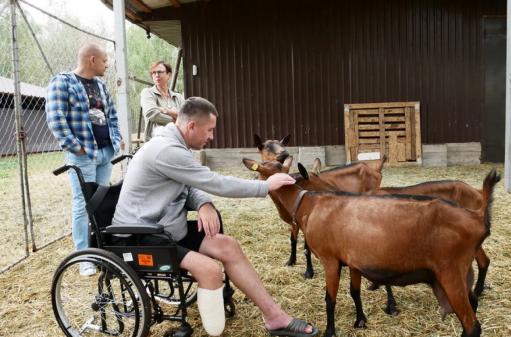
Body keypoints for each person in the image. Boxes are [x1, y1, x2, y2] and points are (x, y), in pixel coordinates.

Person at [111, 97, 318, 337]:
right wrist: (265, 186)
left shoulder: (174, 144)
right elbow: (214, 182)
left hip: (165, 226)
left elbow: (191, 185)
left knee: (228, 246)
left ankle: (275, 317)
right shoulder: (166, 150)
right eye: (209, 130)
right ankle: (215, 332)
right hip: (140, 235)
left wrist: (204, 203)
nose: (211, 136)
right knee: (210, 271)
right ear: (191, 127)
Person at [46, 42, 123, 276]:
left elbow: (112, 115)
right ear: (92, 60)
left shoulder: (100, 84)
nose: (106, 65)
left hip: (105, 152)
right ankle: (84, 258)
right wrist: (75, 147)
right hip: (83, 155)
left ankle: (102, 249)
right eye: (104, 61)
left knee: (101, 200)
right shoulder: (63, 82)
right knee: (83, 204)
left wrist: (116, 140)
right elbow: (55, 118)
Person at [140, 60, 185, 140]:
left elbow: (186, 117)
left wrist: (166, 111)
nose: (156, 75)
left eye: (160, 72)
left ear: (169, 75)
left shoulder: (178, 97)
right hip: (156, 143)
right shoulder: (148, 93)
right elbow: (152, 113)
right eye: (154, 73)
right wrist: (176, 119)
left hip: (177, 141)